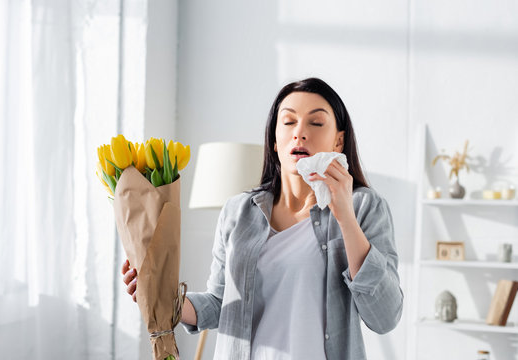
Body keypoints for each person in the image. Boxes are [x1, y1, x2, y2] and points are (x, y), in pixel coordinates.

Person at [122, 77, 403, 359]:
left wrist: (345, 218)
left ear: (338, 141)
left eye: (316, 123)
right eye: (289, 122)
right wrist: (159, 295)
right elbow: (220, 303)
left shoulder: (364, 206)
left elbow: (385, 316)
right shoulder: (238, 211)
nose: (300, 133)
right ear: (275, 140)